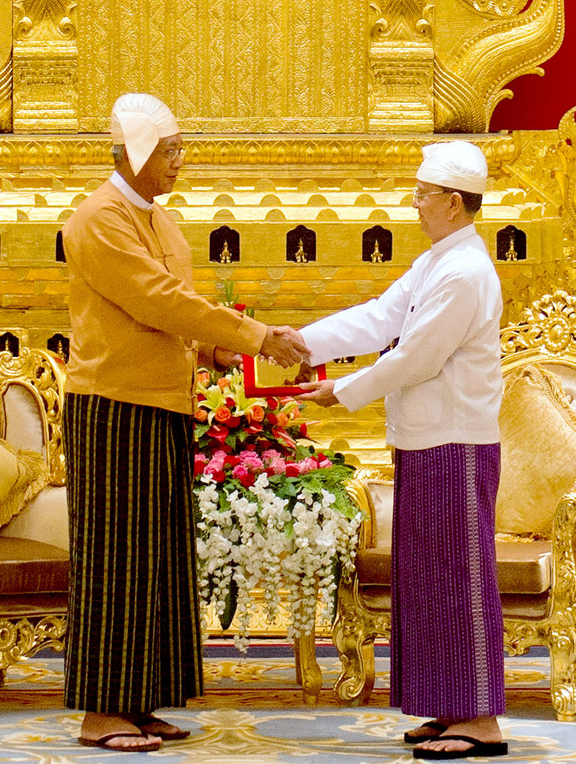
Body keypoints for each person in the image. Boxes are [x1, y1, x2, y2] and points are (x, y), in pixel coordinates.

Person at [60, 92, 309, 753]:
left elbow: (176, 314)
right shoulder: (97, 219)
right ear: (134, 155)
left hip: (164, 400)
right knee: (114, 558)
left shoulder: (161, 222)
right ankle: (99, 712)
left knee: (156, 558)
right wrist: (256, 337)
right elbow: (158, 300)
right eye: (170, 151)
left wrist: (215, 347)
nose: (180, 162)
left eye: (180, 149)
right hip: (112, 404)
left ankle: (138, 702)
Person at [296, 141, 508, 760]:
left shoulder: (466, 272)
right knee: (430, 579)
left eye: (420, 193)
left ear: (450, 201)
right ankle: (451, 707)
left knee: (462, 578)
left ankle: (483, 720)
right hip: (423, 441)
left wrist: (345, 390)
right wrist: (298, 342)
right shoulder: (438, 261)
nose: (413, 202)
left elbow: (415, 356)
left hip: (458, 444)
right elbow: (378, 317)